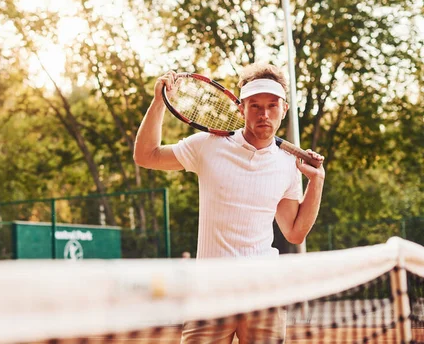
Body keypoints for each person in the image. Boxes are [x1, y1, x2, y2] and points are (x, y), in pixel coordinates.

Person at [133, 63, 326, 343]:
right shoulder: (208, 145)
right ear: (241, 108)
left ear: (284, 109)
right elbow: (146, 156)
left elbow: (295, 233)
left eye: (272, 105)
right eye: (255, 106)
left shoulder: (288, 164)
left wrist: (316, 182)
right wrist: (158, 101)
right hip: (209, 292)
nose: (264, 114)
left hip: (265, 291)